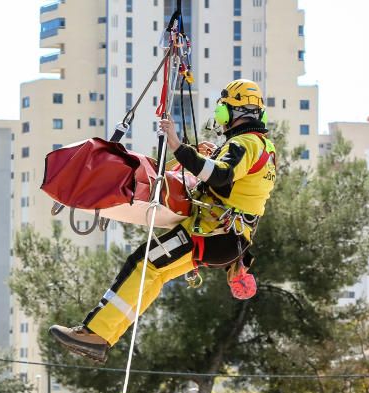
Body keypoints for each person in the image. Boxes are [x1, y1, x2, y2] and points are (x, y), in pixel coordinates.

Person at [49, 79, 277, 363]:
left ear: (229, 112)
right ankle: (103, 336)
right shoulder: (263, 148)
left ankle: (95, 332)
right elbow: (229, 184)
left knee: (142, 262)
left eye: (223, 111)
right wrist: (203, 155)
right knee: (152, 272)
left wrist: (179, 147)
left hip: (212, 235)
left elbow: (220, 176)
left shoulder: (243, 144)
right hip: (226, 240)